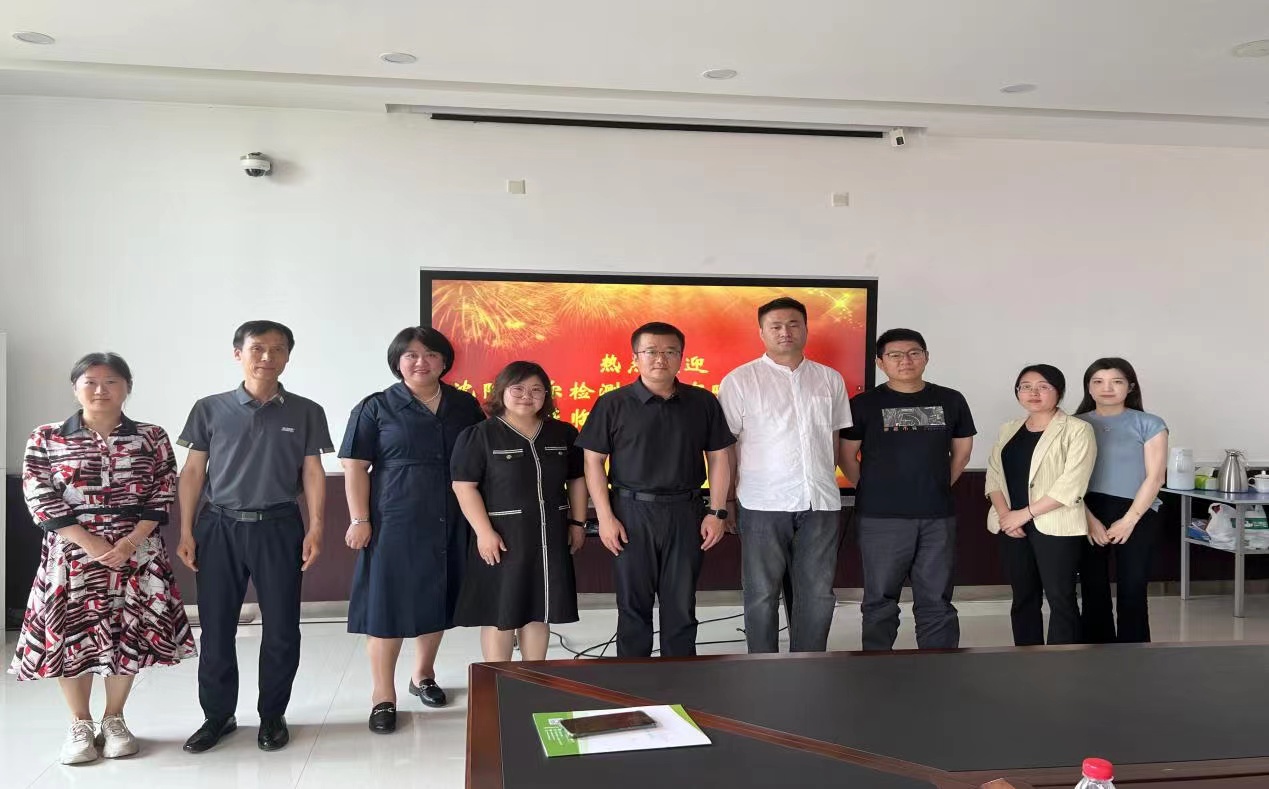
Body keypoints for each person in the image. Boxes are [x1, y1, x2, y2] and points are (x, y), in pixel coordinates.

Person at [11, 353, 196, 764]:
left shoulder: (151, 436)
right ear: (75, 388)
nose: (100, 390)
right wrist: (90, 543)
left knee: (127, 630)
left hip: (136, 552)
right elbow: (39, 495)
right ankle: (79, 723)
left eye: (111, 381)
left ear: (127, 387)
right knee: (71, 634)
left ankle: (115, 719)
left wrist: (129, 543)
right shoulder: (47, 436)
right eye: (90, 381)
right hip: (72, 555)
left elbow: (163, 490)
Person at [176, 320, 333, 753]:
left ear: (288, 357)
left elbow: (313, 472)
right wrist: (186, 529)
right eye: (257, 348)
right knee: (216, 628)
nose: (267, 357)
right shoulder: (209, 408)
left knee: (282, 628)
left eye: (277, 349)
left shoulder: (306, 411)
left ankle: (272, 715)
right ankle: (217, 716)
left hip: (279, 526)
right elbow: (193, 471)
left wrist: (317, 526)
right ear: (238, 354)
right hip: (218, 526)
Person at [338, 327, 484, 734]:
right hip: (394, 520)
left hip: (452, 517)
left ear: (444, 361)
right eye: (411, 355)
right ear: (397, 361)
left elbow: (480, 459)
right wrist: (359, 519)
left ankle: (423, 675)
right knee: (385, 608)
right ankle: (382, 695)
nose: (422, 362)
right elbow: (355, 467)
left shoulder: (464, 405)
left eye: (431, 354)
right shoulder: (376, 406)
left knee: (436, 597)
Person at [576, 321, 735, 657]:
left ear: (681, 357)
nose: (660, 359)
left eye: (670, 351)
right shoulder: (613, 403)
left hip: (686, 511)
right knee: (632, 605)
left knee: (681, 604)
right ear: (635, 357)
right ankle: (634, 679)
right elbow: (593, 461)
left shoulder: (702, 402)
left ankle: (679, 675)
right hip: (630, 513)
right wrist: (604, 517)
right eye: (651, 351)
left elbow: (720, 456)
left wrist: (717, 511)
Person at [718, 297, 852, 653]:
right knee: (761, 592)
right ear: (761, 332)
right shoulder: (740, 380)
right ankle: (762, 664)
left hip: (820, 501)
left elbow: (834, 438)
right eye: (775, 326)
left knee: (818, 592)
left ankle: (808, 662)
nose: (785, 332)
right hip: (762, 501)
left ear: (806, 329)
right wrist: (728, 499)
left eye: (793, 324)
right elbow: (726, 447)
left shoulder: (829, 379)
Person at [840, 328, 975, 651]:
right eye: (895, 355)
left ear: (926, 357)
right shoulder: (864, 404)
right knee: (879, 599)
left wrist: (937, 484)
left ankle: (938, 663)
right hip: (880, 518)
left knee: (936, 598)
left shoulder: (951, 399)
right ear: (880, 362)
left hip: (936, 516)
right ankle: (876, 664)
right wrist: (872, 488)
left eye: (914, 353)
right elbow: (846, 455)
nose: (906, 361)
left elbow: (962, 452)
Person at [451, 361, 588, 663]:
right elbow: (464, 487)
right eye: (518, 389)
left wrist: (578, 523)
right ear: (501, 391)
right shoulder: (480, 435)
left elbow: (577, 479)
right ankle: (498, 679)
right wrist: (484, 533)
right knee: (501, 613)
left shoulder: (563, 433)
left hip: (551, 535)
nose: (527, 396)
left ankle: (533, 678)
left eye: (537, 390)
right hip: (502, 539)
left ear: (546, 395)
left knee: (540, 611)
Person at [984, 365, 1097, 646]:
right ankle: (1026, 656)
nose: (1033, 392)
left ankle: (1063, 661)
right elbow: (994, 476)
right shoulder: (1009, 429)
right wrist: (1006, 516)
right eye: (1026, 386)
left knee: (1061, 598)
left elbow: (1072, 484)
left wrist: (1023, 514)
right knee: (1023, 597)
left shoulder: (1077, 429)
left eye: (1043, 386)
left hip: (1055, 524)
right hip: (1011, 526)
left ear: (1059, 392)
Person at [1074, 358, 1168, 643]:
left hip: (1138, 510)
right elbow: (1066, 480)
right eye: (1098, 382)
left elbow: (1155, 478)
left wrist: (1129, 520)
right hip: (1086, 509)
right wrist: (1089, 519)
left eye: (1116, 381)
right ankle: (1096, 648)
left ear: (1130, 387)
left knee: (1133, 586)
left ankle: (1134, 651)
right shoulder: (1074, 424)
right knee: (1092, 585)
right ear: (1089, 388)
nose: (1107, 388)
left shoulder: (1150, 423)